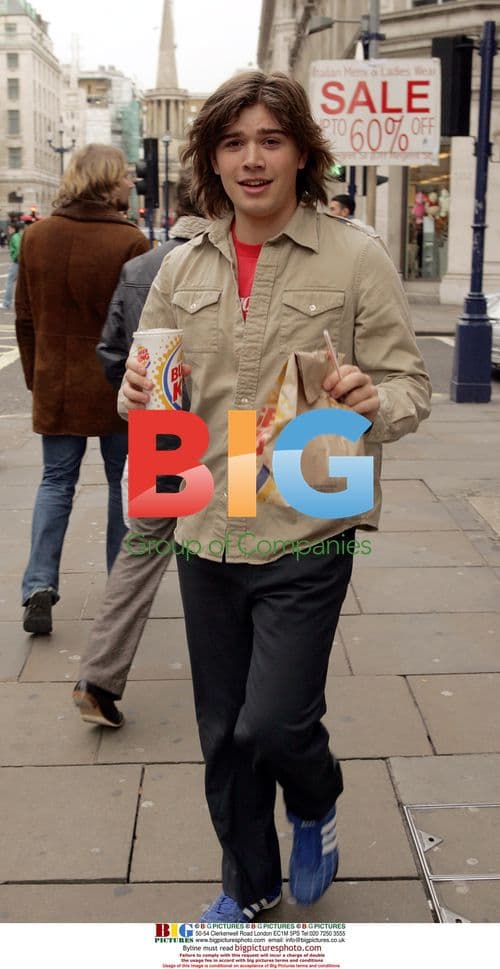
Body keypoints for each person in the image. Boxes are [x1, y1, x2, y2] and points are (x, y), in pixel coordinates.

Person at [121, 71, 431, 922]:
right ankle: (248, 885)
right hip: (205, 526)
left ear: (301, 153)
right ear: (210, 160)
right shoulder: (180, 266)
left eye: (269, 141)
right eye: (232, 143)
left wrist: (377, 401)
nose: (251, 160)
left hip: (310, 517)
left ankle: (317, 797)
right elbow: (154, 391)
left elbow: (410, 384)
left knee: (274, 721)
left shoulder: (355, 256)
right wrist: (136, 403)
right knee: (223, 734)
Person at [72, 170, 208, 728]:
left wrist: (143, 401)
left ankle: (99, 677)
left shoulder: (138, 268)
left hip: (162, 431)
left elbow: (113, 352)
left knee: (143, 547)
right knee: (238, 544)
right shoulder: (227, 262)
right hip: (230, 433)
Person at [16, 143, 149, 636]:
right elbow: (139, 326)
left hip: (58, 382)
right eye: (126, 176)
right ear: (108, 180)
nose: (132, 183)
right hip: (117, 385)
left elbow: (25, 319)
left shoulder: (37, 237)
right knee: (122, 485)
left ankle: (38, 584)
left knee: (55, 483)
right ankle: (119, 591)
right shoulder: (130, 243)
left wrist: (38, 379)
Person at [1, 222, 24, 309]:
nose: (8, 230)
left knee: (9, 282)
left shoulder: (15, 237)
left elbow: (18, 248)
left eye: (9, 228)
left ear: (14, 228)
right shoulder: (19, 235)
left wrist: (15, 258)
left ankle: (6, 303)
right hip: (21, 262)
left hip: (17, 262)